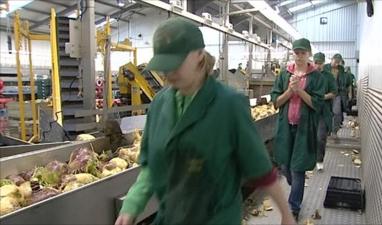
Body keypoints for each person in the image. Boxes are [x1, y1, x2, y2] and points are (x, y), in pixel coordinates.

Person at [115, 17, 295, 225]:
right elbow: (151, 167)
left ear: (199, 55)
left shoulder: (229, 105)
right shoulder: (158, 105)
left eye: (176, 64)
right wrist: (131, 207)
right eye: (164, 65)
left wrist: (286, 214)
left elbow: (260, 169)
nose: (169, 73)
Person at [271, 38, 324, 221]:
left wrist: (300, 91)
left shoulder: (316, 77)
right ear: (292, 54)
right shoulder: (284, 74)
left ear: (308, 54)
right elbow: (276, 102)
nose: (300, 56)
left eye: (303, 53)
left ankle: (294, 207)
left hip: (304, 129)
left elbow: (317, 104)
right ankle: (297, 186)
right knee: (285, 166)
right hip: (286, 128)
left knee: (298, 168)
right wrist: (289, 90)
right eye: (297, 52)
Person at [313, 53, 338, 171]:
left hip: (323, 111)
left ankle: (319, 159)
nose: (318, 65)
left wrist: (322, 97)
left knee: (320, 136)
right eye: (316, 63)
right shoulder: (309, 75)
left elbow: (334, 92)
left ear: (324, 63)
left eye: (320, 63)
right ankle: (309, 159)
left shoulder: (328, 76)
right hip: (309, 110)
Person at [323, 54, 347, 138]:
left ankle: (334, 131)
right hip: (326, 93)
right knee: (327, 112)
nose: (337, 64)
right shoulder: (325, 67)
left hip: (337, 94)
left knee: (336, 112)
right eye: (335, 62)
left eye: (338, 63)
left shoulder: (341, 69)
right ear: (332, 59)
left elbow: (343, 81)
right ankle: (327, 130)